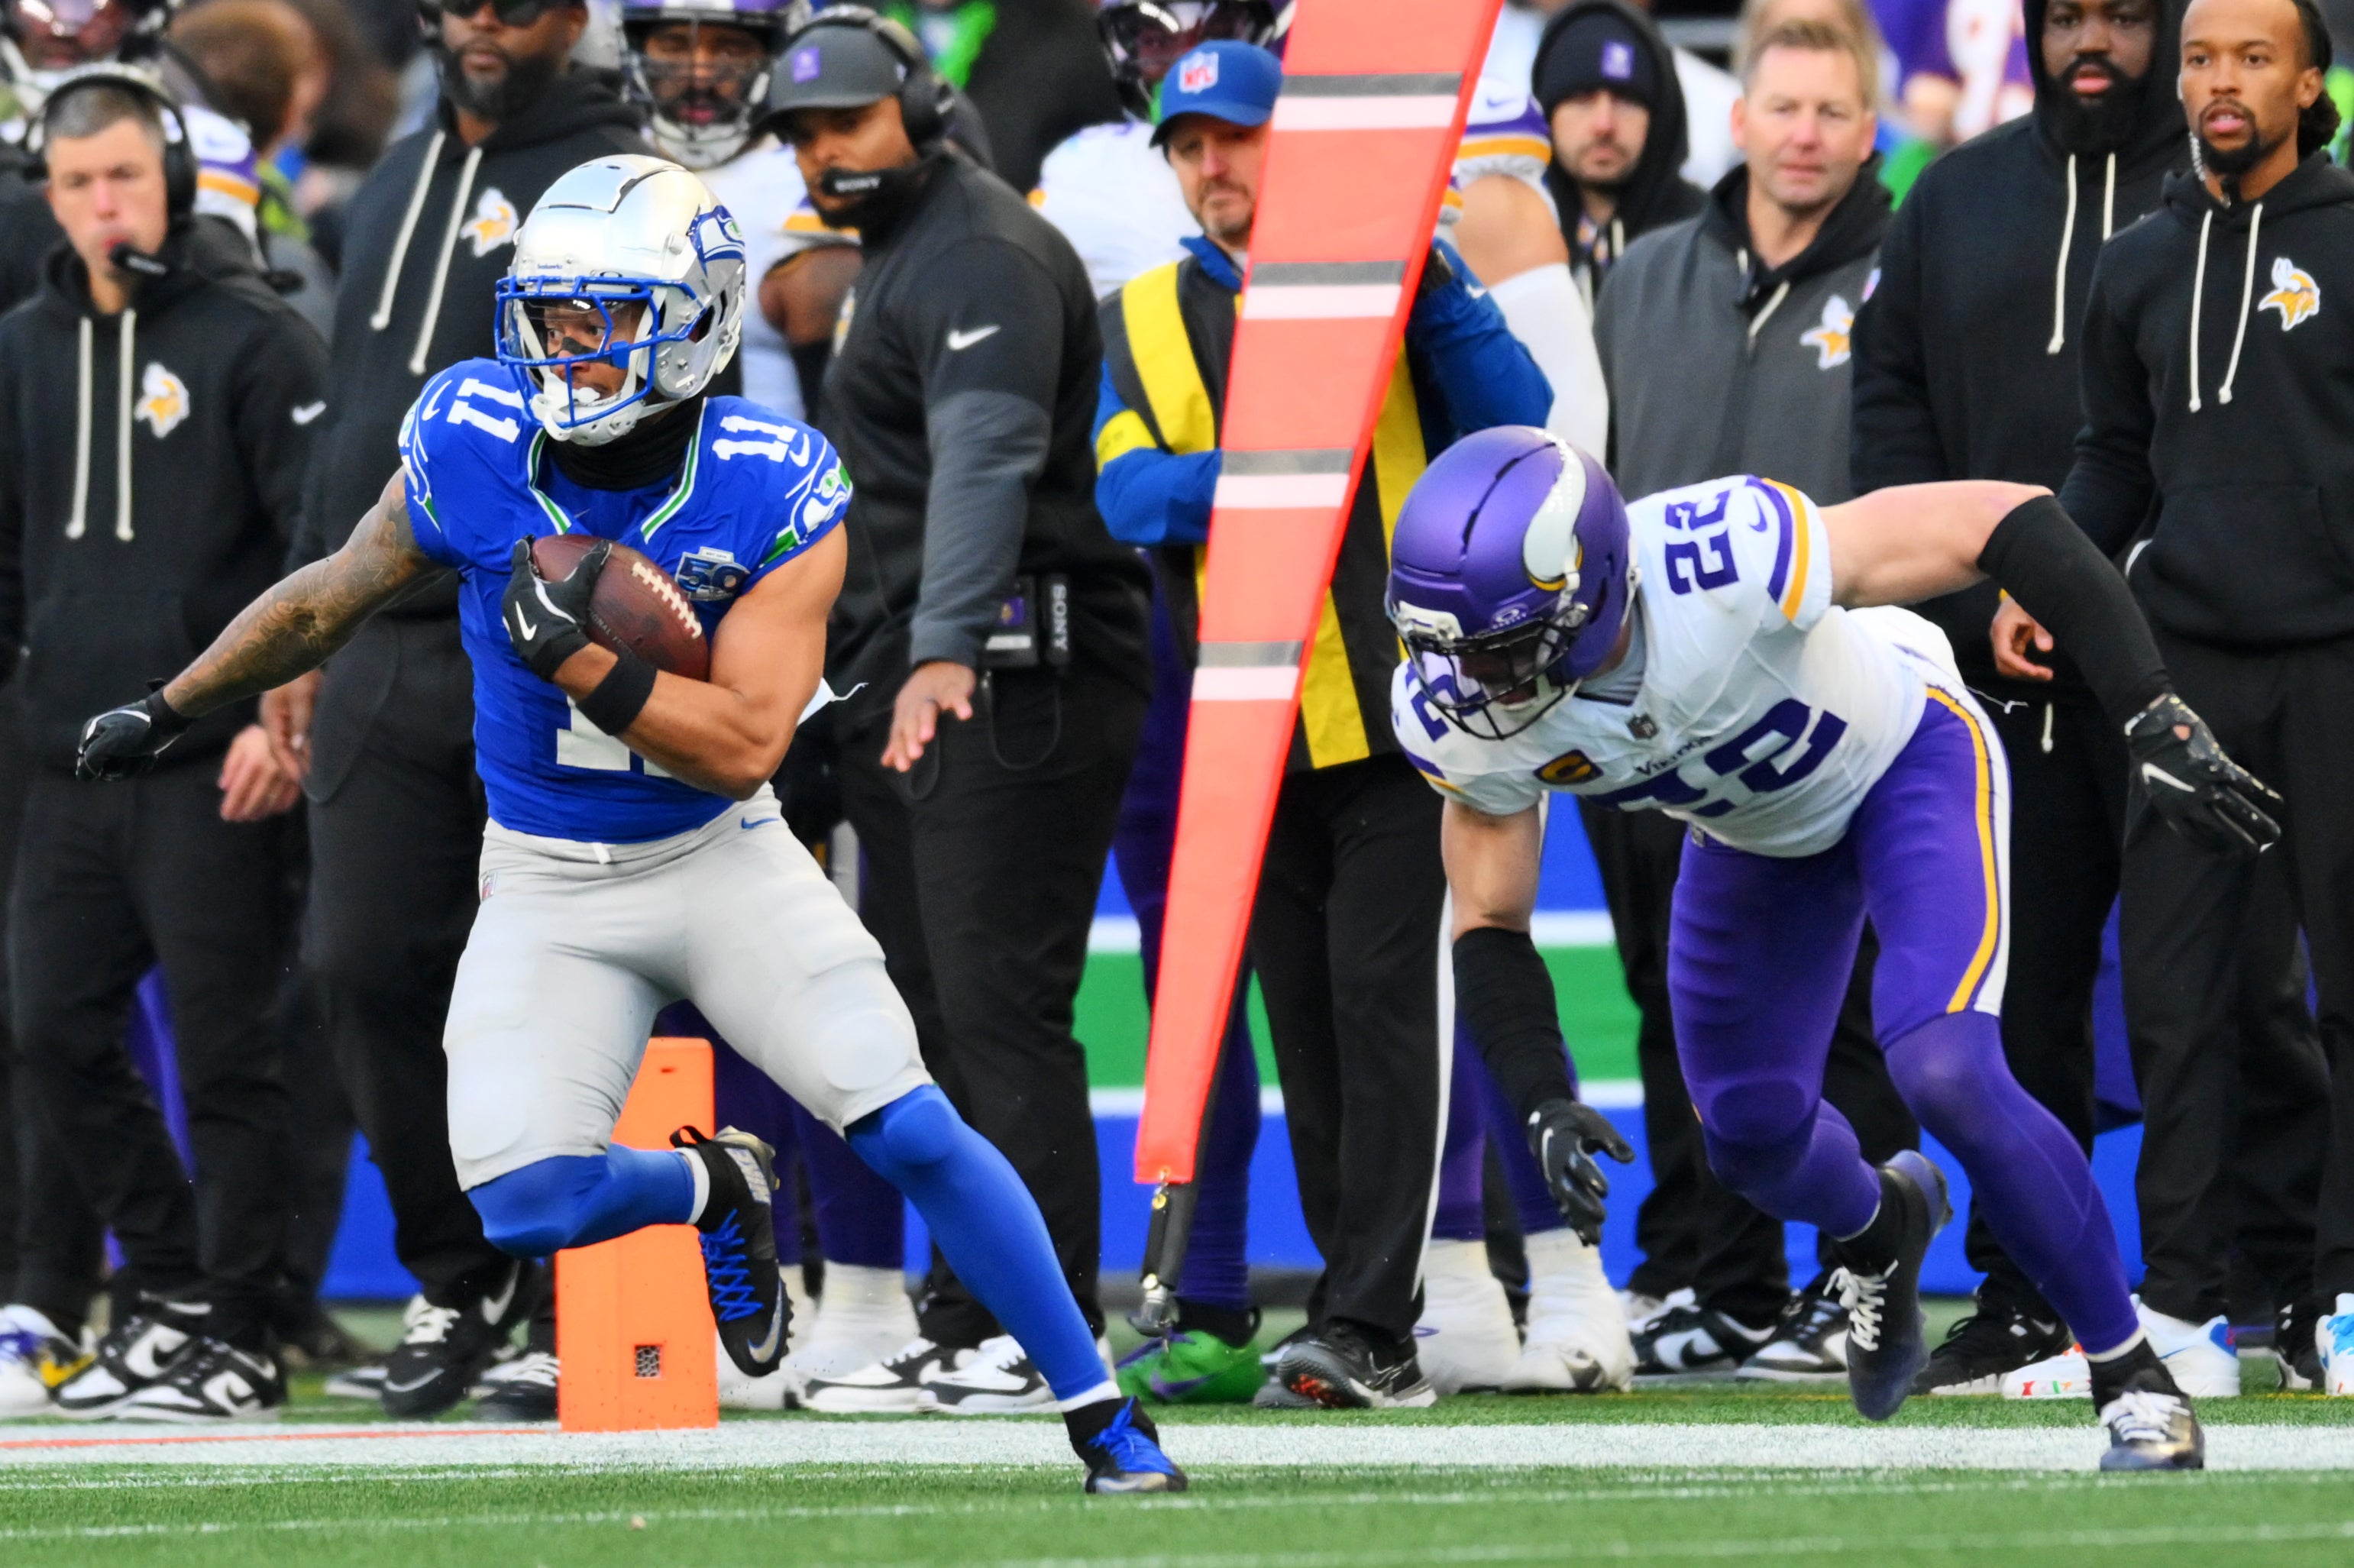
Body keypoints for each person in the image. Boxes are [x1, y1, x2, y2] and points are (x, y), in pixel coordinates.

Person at [74, 150, 1188, 1494]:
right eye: (552, 315)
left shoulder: (772, 477)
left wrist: (593, 662)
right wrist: (173, 703)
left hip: (715, 861)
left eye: (605, 316)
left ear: (699, 317)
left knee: (905, 1120)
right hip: (545, 876)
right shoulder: (473, 430)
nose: (572, 346)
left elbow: (747, 748)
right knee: (523, 1200)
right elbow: (331, 591)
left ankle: (1101, 1409)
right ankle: (711, 1188)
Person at [1390, 423, 2283, 1466]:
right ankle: (1876, 1226)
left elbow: (1996, 514)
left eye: (1499, 648)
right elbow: (1488, 917)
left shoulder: (1714, 557)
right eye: (1450, 649)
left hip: (1906, 757)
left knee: (1943, 1065)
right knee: (1746, 1137)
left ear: (1588, 594)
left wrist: (2148, 710)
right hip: (1755, 835)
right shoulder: (1458, 710)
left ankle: (2132, 1377)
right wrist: (1540, 1087)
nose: (1477, 681)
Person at [1851, 0, 2323, 1398]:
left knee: (2250, 982)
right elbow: (1890, 413)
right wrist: (1959, 607)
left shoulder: (2248, 215)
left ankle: (2278, 1275)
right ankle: (2029, 1289)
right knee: (2031, 986)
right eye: (2070, 17)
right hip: (2009, 669)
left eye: (2128, 16)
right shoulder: (1950, 200)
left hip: (2200, 661)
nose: (2094, 43)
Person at [1094, 41, 1555, 1408]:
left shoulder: (1388, 277)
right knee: (1309, 1027)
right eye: (1189, 147)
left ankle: (1372, 1320)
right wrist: (1280, 463)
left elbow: (1520, 421)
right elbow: (1127, 497)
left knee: (1381, 1008)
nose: (1213, 166)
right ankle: (1365, 1317)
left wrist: (1426, 281)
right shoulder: (1143, 311)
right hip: (1252, 726)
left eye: (1236, 138)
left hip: (1412, 716)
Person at [765, 9, 1153, 1414]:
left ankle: (1035, 1326)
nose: (824, 152)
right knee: (928, 1011)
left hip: (1009, 672)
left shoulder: (980, 243)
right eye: (803, 135)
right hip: (921, 675)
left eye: (847, 123)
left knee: (1003, 1007)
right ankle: (969, 1306)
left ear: (918, 108)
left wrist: (938, 653)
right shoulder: (897, 253)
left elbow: (987, 462)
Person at [273, 0, 642, 1421]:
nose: (487, 25)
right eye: (467, 2)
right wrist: (300, 640)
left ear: (571, 21)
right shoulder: (396, 177)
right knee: (359, 962)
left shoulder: (612, 184)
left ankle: (570, 1290)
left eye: (522, 4)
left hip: (536, 636)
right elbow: (349, 426)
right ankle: (460, 1272)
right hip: (377, 640)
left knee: (559, 969)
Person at [2023, 0, 2354, 1398]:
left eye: (2254, 58)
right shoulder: (2136, 262)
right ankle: (2181, 1305)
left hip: (2341, 659)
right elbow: (2111, 459)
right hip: (2184, 675)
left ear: (2309, 79)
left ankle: (2337, 1296)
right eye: (2206, 56)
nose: (2222, 83)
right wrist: (2044, 569)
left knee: (2343, 992)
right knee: (2175, 996)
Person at [1587, 16, 1922, 1384]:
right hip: (1647, 714)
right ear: (1738, 117)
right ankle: (1719, 1283)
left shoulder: (1908, 273)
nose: (1802, 132)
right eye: (1781, 104)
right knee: (1678, 1006)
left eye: (1831, 111)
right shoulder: (1640, 275)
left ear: (1866, 129)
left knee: (1840, 1016)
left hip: (1827, 712)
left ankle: (1853, 1284)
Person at [0, 66, 321, 1422]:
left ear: (177, 183)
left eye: (125, 176)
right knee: (51, 1025)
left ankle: (241, 1332)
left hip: (211, 754)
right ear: (49, 196)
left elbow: (321, 548)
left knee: (228, 1048)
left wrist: (278, 710)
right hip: (67, 757)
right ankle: (181, 1285)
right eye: (77, 184)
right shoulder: (18, 345)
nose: (102, 205)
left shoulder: (260, 340)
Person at [1031, 0, 1274, 301]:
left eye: (1217, 35)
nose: (1191, 63)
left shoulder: (1313, 147)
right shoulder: (1084, 169)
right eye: (1157, 41)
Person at [1531, 0, 1705, 304]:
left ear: (1660, 116)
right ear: (1546, 115)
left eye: (1626, 99)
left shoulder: (1707, 239)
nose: (1604, 124)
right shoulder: (1514, 237)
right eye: (1582, 99)